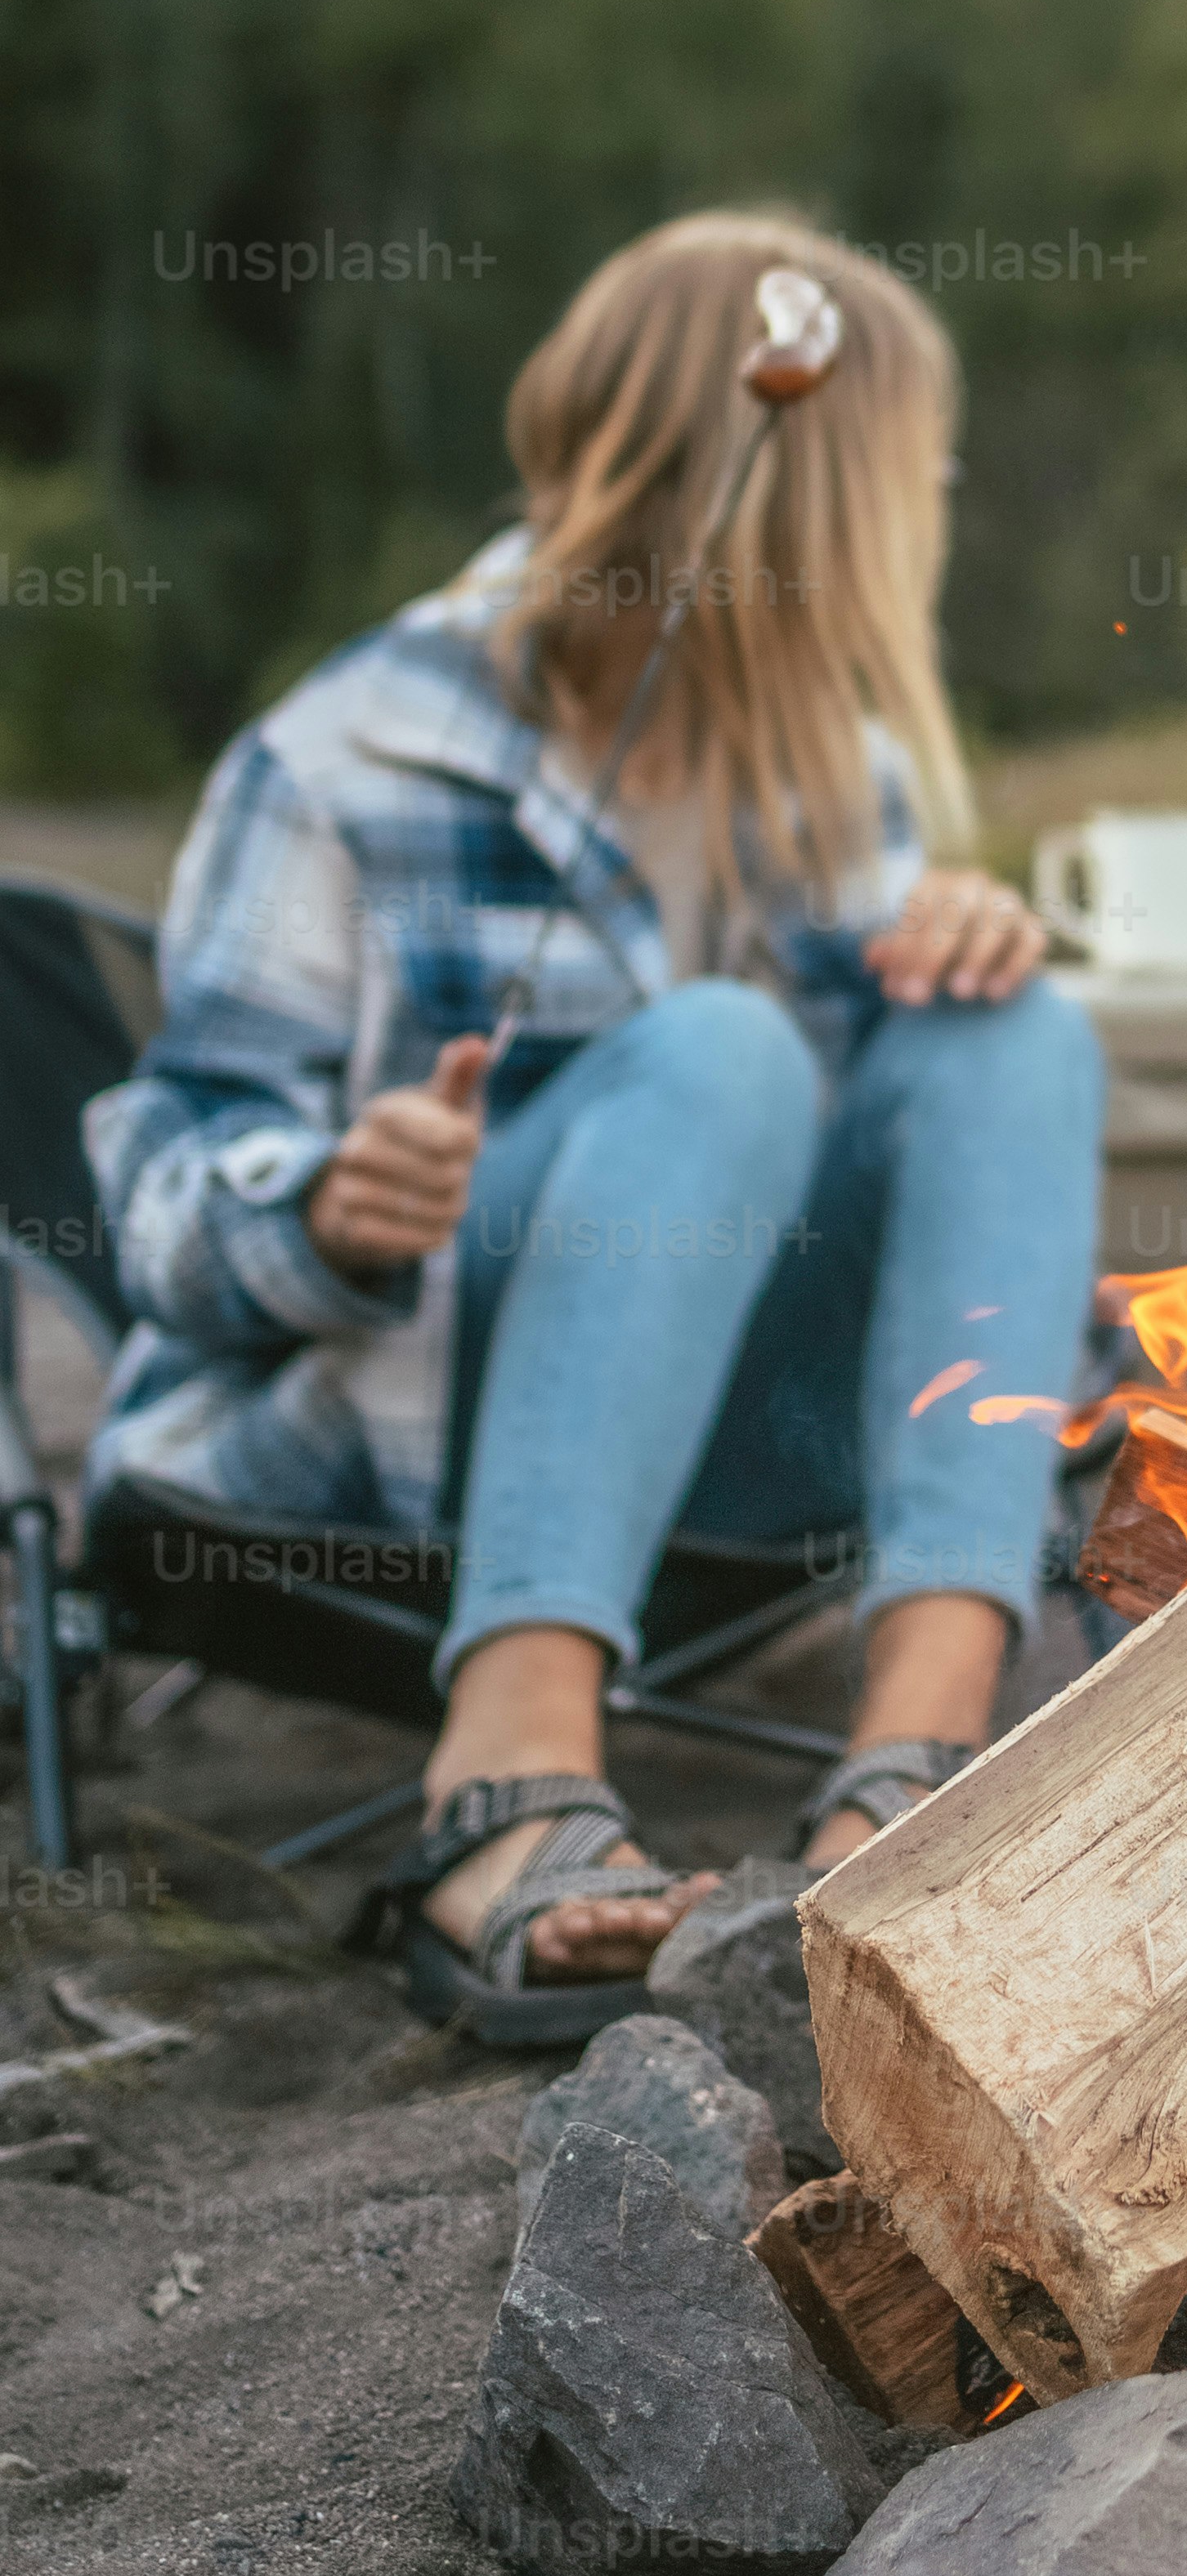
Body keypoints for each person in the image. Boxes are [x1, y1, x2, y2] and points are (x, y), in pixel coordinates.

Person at [86, 212, 1103, 2042]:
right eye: (906, 476)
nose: (923, 515)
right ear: (793, 488)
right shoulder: (348, 759)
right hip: (389, 1428)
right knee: (714, 1046)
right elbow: (156, 1194)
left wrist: (954, 943)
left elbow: (921, 1155)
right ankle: (512, 1774)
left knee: (1011, 1019)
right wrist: (318, 1205)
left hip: (716, 1441)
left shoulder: (823, 770)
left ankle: (919, 1762)